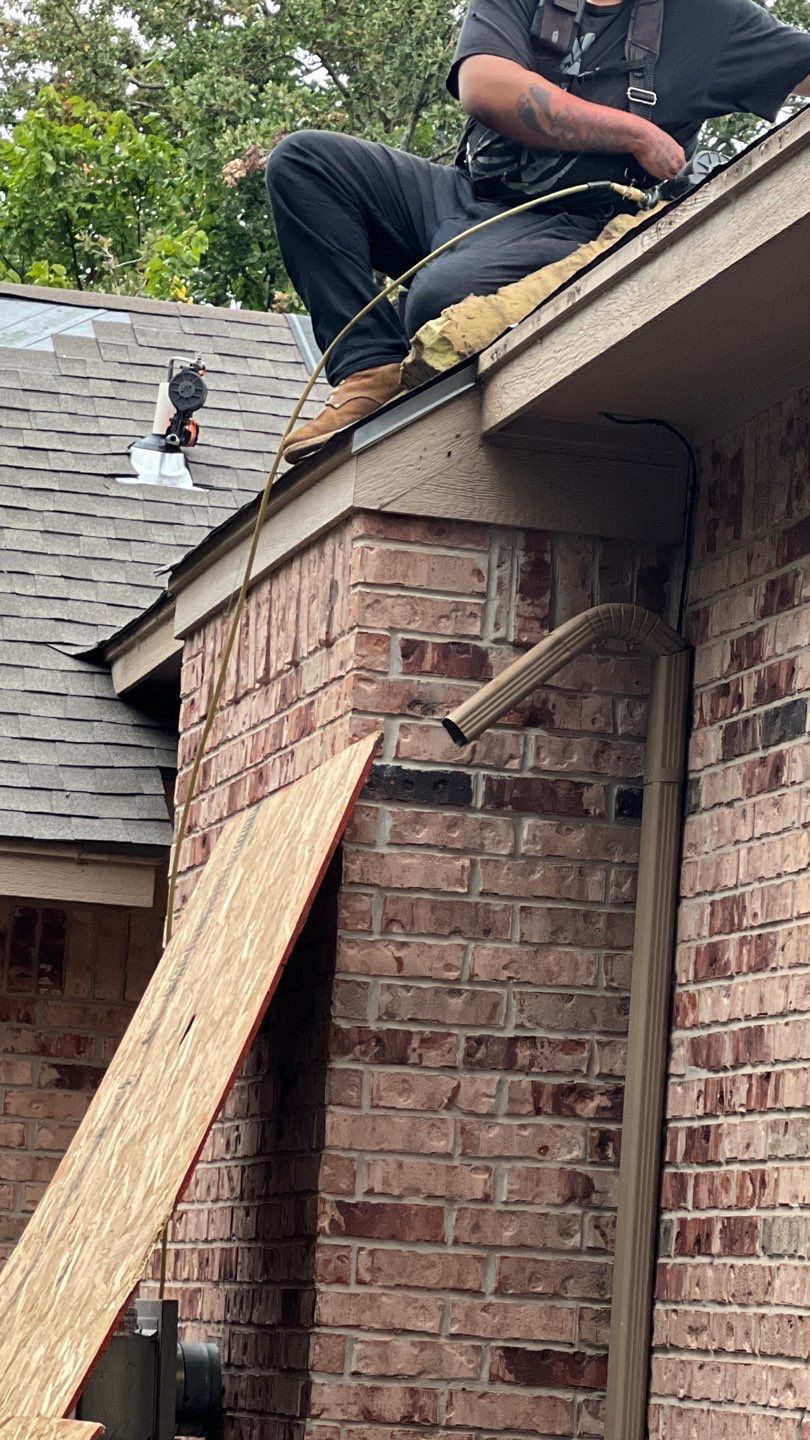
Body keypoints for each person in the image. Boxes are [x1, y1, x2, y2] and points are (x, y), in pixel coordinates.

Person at [266, 0, 810, 465]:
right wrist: (635, 132)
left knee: (436, 299)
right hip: (463, 195)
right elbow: (483, 86)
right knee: (305, 163)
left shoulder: (708, 19)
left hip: (575, 225)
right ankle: (369, 368)